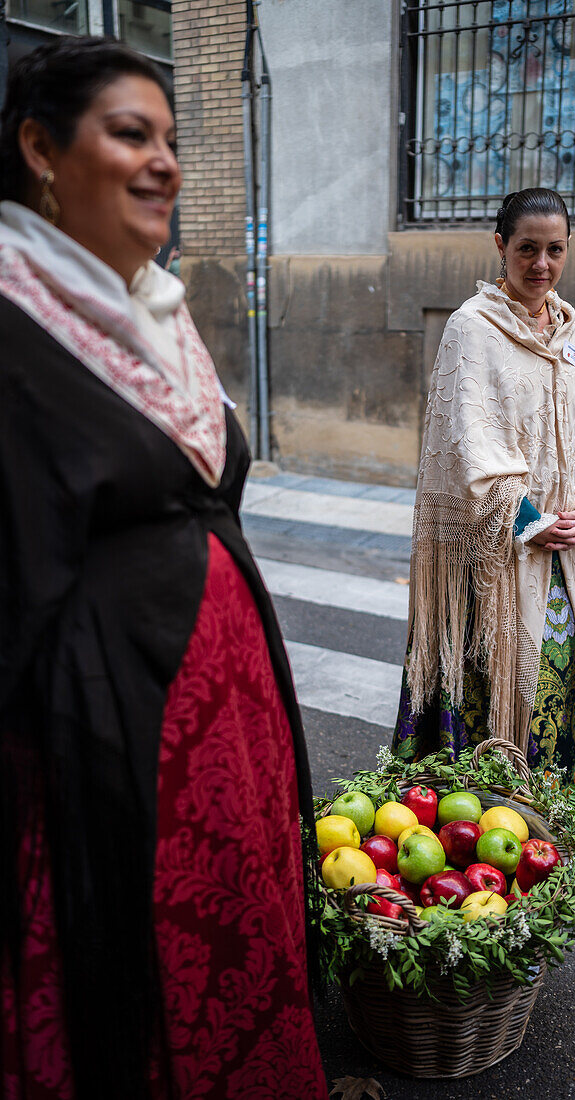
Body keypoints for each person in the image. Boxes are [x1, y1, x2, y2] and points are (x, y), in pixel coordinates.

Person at [0, 38, 328, 1099]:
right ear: (41, 148)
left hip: (218, 725)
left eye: (173, 141)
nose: (166, 164)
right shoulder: (12, 322)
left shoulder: (158, 310)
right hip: (101, 743)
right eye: (132, 134)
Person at [392, 188, 575, 825]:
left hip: (572, 543)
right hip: (501, 547)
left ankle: (564, 814)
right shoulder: (471, 328)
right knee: (508, 673)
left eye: (555, 250)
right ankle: (499, 814)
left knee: (567, 667)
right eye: (527, 248)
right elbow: (469, 441)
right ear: (500, 245)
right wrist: (528, 520)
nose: (542, 264)